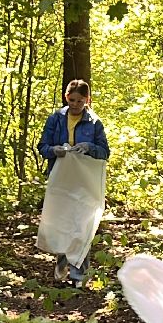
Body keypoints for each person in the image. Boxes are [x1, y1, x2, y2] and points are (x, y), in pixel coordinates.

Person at [38, 79, 111, 284]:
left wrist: (89, 147)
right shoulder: (56, 119)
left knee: (81, 227)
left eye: (80, 101)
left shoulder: (94, 123)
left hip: (84, 183)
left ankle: (79, 277)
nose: (75, 105)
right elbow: (43, 146)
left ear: (87, 100)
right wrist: (54, 150)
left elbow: (105, 152)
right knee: (62, 224)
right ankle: (61, 270)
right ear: (66, 98)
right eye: (72, 100)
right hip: (60, 180)